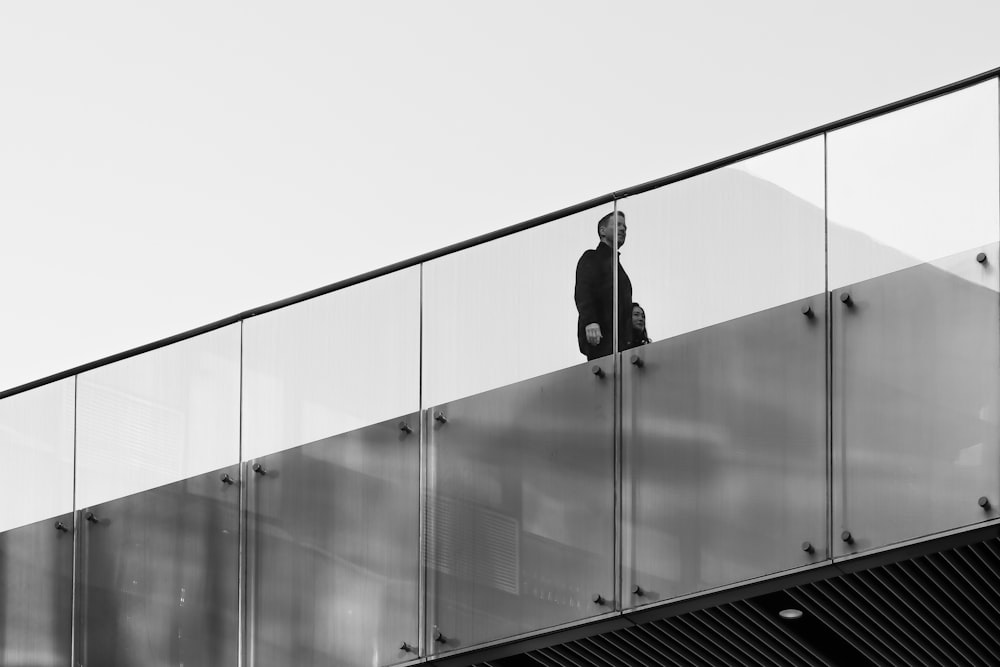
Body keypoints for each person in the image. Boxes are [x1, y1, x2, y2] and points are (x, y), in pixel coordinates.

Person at [574, 210, 633, 360]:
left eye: (625, 227)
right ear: (603, 231)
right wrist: (590, 321)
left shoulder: (617, 267)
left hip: (622, 343)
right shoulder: (592, 257)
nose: (622, 229)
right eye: (618, 225)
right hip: (601, 337)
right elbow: (583, 290)